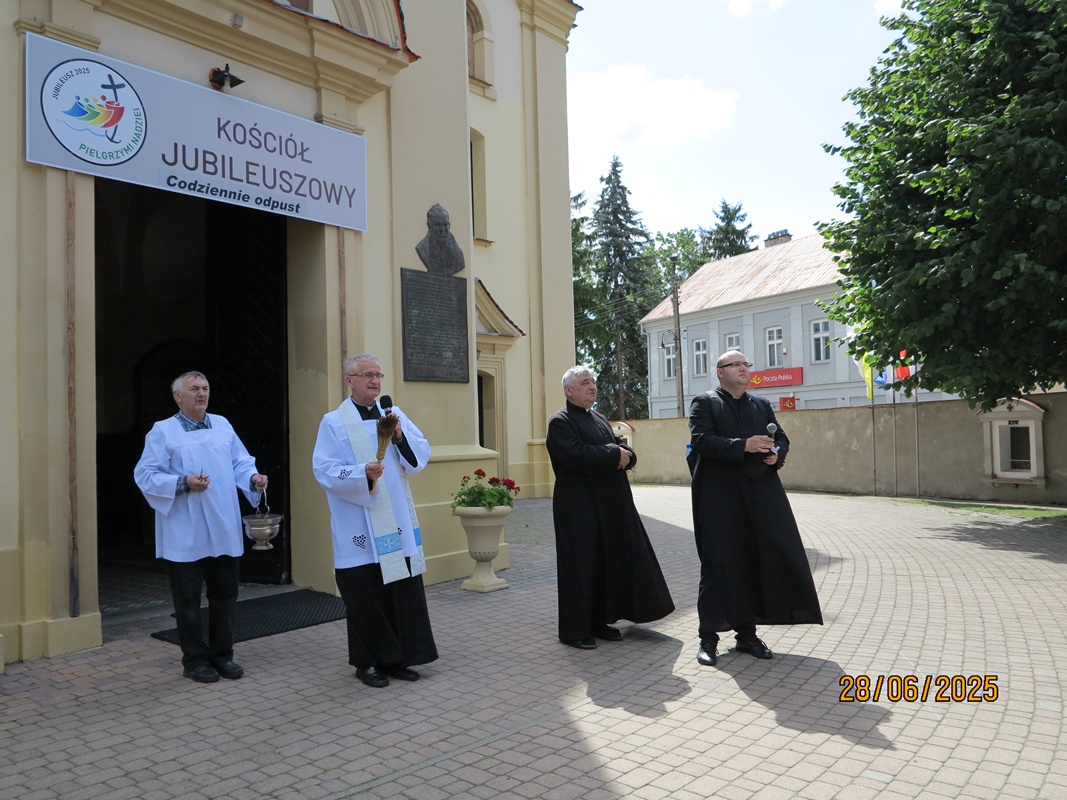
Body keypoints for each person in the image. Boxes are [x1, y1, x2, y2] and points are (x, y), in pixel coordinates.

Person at [689, 351, 823, 666]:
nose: (743, 368)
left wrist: (777, 455)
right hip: (719, 497)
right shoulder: (705, 402)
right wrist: (743, 445)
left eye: (746, 364)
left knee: (753, 560)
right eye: (736, 364)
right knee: (718, 564)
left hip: (760, 494)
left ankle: (746, 635)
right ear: (720, 372)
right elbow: (702, 441)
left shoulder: (760, 405)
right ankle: (708, 638)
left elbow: (782, 439)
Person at [312, 353, 438, 688]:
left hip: (395, 518)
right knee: (365, 594)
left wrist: (399, 438)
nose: (375, 380)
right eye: (367, 374)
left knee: (399, 590)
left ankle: (398, 659)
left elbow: (420, 455)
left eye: (378, 374)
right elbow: (324, 470)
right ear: (349, 380)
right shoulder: (333, 422)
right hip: (358, 522)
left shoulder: (393, 414)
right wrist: (362, 473)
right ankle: (367, 662)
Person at [134, 371, 268, 683]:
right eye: (194, 388)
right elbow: (146, 474)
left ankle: (223, 655)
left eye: (205, 388)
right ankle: (194, 660)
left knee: (225, 595)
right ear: (177, 396)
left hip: (222, 523)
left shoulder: (222, 425)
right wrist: (183, 483)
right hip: (185, 528)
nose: (201, 393)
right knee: (188, 600)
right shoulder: (163, 431)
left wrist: (253, 478)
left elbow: (240, 462)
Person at [546, 366, 675, 649]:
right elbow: (576, 454)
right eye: (585, 383)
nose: (592, 387)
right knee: (579, 566)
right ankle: (574, 631)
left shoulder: (599, 418)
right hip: (577, 509)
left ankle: (599, 622)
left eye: (593, 382)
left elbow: (621, 447)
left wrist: (626, 454)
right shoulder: (560, 421)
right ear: (569, 390)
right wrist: (614, 454)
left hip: (607, 507)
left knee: (603, 564)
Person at [414, 203, 465, 276]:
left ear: (449, 225)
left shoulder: (458, 254)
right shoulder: (422, 248)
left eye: (445, 224)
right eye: (437, 224)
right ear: (430, 225)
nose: (442, 229)